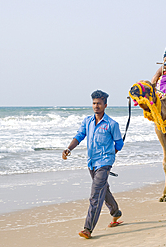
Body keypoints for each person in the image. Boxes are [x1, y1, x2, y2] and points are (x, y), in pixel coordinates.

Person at [62, 90, 124, 239]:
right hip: (91, 162)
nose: (96, 106)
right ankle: (116, 212)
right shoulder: (87, 121)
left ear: (105, 105)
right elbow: (79, 136)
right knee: (104, 190)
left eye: (99, 103)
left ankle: (88, 228)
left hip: (105, 162)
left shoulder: (112, 124)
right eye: (94, 103)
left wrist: (109, 155)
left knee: (95, 195)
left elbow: (119, 144)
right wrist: (68, 149)